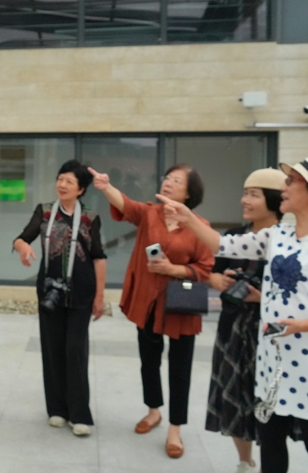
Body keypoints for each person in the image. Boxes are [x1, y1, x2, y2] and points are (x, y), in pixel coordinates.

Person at [157, 156, 308, 473]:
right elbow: (225, 243)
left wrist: (301, 325)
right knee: (270, 437)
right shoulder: (278, 235)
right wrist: (187, 218)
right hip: (272, 357)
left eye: (292, 182)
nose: (284, 188)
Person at [88, 164, 214, 458]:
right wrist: (106, 187)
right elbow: (126, 205)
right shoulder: (150, 213)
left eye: (176, 180)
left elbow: (205, 269)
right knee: (149, 361)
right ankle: (153, 410)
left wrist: (174, 269)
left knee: (180, 369)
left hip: (181, 306)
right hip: (148, 301)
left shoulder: (199, 226)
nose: (168, 182)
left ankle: (175, 429)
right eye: (167, 178)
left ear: (189, 192)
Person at [207, 168, 286, 473]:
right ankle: (245, 462)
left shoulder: (288, 241)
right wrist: (220, 281)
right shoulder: (235, 236)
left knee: (268, 406)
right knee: (233, 397)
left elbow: (298, 294)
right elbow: (212, 272)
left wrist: (262, 298)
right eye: (245, 193)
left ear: (274, 200)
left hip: (270, 335)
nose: (244, 200)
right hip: (232, 326)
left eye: (254, 194)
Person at [13, 160, 107, 437]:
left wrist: (100, 296)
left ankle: (79, 414)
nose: (62, 185)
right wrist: (23, 249)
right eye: (60, 179)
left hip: (81, 293)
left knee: (75, 351)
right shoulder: (44, 212)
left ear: (80, 189)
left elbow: (99, 257)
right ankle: (56, 409)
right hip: (50, 293)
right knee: (52, 350)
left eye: (69, 181)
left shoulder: (90, 218)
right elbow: (21, 238)